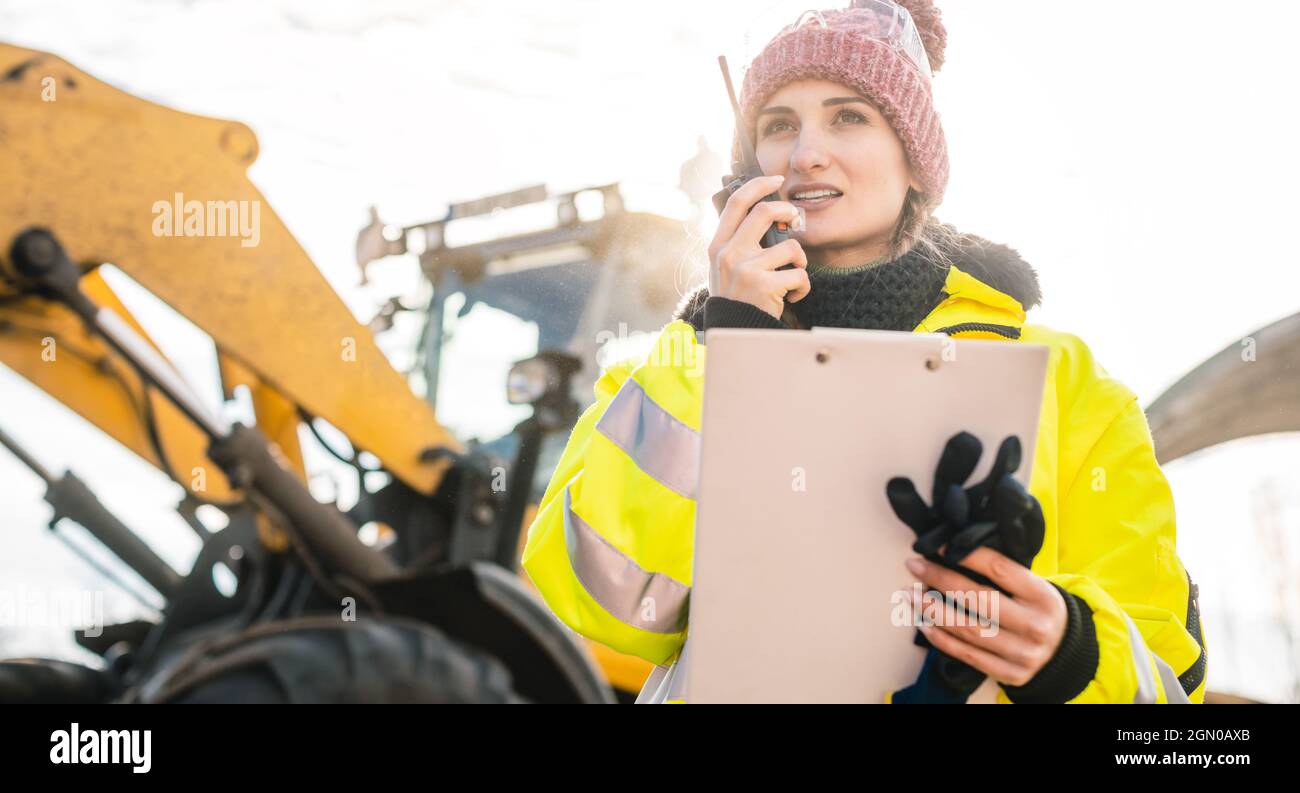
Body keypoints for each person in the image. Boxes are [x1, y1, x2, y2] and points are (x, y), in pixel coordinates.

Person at [521, 0, 1207, 703]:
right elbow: (608, 603)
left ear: (916, 163)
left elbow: (1166, 688)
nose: (804, 152)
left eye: (849, 116)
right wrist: (723, 344)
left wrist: (1069, 650)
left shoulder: (1069, 383)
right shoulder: (668, 372)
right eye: (777, 125)